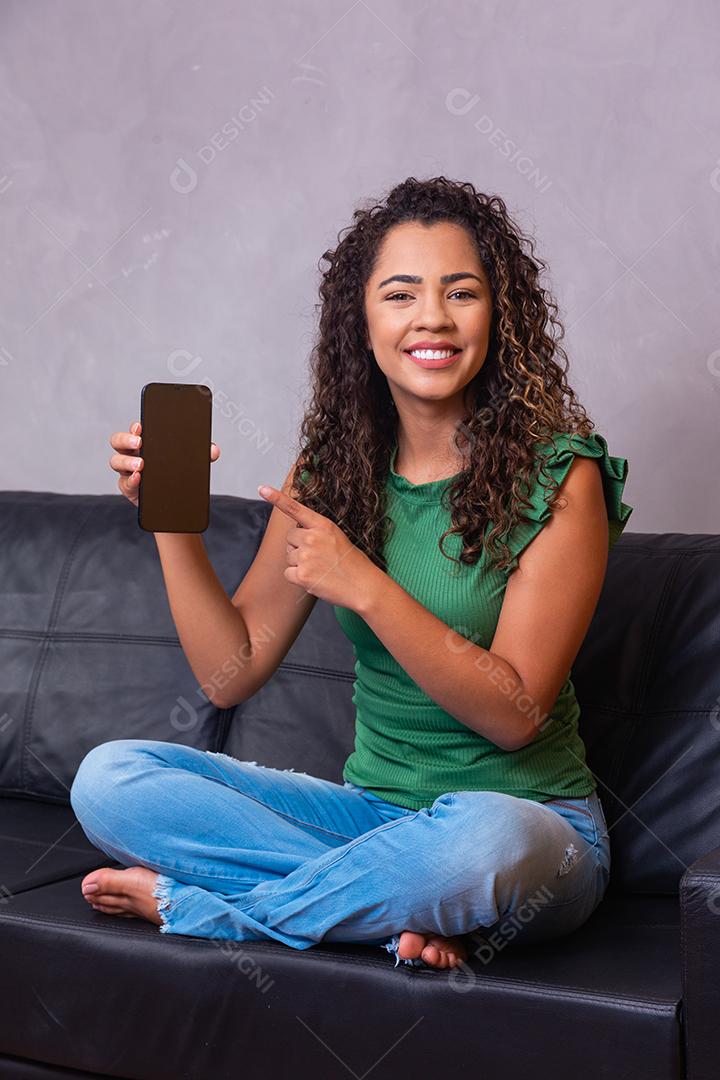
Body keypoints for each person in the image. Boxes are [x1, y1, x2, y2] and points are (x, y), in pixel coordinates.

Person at [71, 176, 633, 973]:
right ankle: (393, 907)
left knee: (484, 845)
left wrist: (363, 581)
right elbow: (231, 673)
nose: (431, 318)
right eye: (401, 294)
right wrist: (173, 522)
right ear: (361, 323)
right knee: (110, 780)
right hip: (370, 821)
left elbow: (514, 715)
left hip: (531, 827)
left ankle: (215, 911)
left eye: (461, 293)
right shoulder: (334, 474)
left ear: (498, 315)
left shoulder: (560, 477)